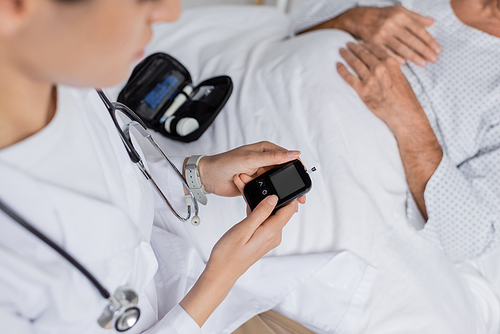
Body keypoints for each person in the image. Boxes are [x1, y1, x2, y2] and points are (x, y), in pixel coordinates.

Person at [0, 0, 376, 333]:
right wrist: (219, 279)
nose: (172, 11)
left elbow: (124, 172)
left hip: (197, 295)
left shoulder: (70, 73)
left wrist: (197, 175)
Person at [289, 0, 500, 262]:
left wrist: (408, 118)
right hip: (270, 84)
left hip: (318, 181)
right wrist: (352, 19)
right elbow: (291, 27)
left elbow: (468, 239)